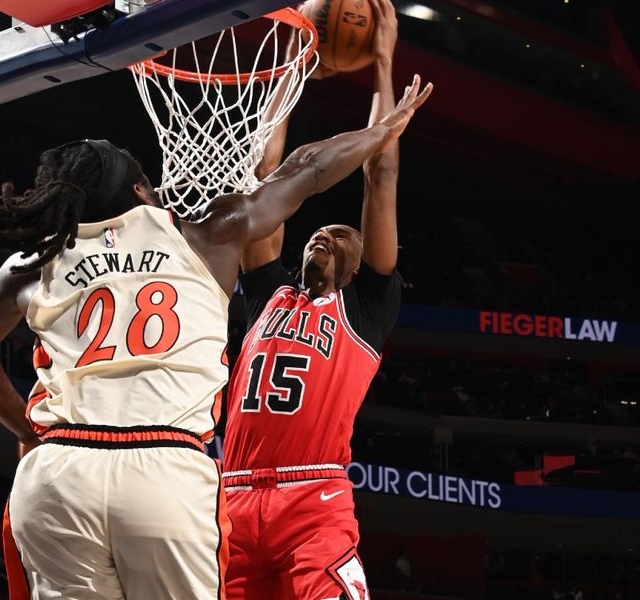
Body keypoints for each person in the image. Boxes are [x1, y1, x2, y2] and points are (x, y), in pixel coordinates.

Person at [0, 71, 431, 600]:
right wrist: (382, 131)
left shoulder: (36, 261)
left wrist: (26, 426)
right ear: (138, 192)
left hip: (58, 473)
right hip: (162, 466)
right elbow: (306, 170)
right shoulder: (202, 235)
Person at [222, 1, 417, 597]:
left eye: (340, 235)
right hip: (227, 499)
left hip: (314, 500)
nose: (324, 232)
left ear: (363, 267)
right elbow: (264, 179)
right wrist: (290, 67)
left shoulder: (364, 311)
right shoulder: (266, 293)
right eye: (317, 230)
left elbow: (378, 180)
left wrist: (382, 64)